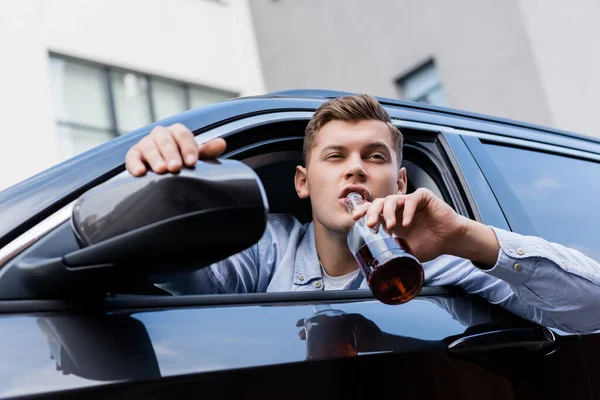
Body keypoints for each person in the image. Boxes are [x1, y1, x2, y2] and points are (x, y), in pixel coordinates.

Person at [126, 94, 600, 333]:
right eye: (335, 157)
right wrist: (166, 190)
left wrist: (469, 238)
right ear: (303, 182)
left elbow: (592, 310)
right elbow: (181, 277)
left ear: (398, 183)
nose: (355, 168)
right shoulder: (267, 245)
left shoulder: (437, 254)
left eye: (374, 157)